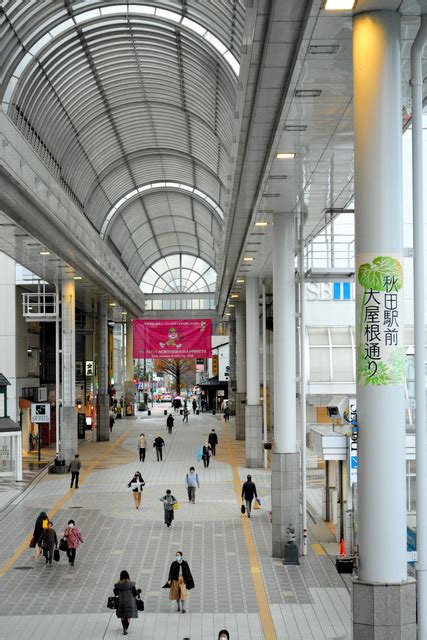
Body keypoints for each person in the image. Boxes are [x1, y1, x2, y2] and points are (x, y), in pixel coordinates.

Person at [113, 569, 141, 635]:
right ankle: (126, 628)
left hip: (121, 603)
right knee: (128, 616)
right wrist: (139, 591)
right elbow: (134, 593)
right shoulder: (131, 584)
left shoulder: (118, 585)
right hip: (130, 603)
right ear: (128, 576)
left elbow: (116, 593)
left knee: (122, 616)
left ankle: (124, 628)